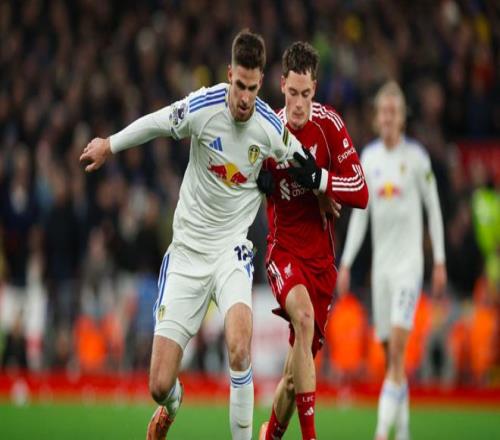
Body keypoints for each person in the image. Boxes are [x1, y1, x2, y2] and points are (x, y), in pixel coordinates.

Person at [79, 30, 328, 440]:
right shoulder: (203, 107)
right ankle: (173, 404)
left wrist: (324, 192)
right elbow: (158, 123)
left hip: (232, 251)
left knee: (240, 347)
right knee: (158, 384)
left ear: (260, 83)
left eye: (252, 89)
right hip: (188, 253)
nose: (244, 98)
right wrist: (110, 144)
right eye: (239, 86)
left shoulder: (269, 126)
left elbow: (303, 163)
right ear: (229, 75)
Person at [257, 42, 369, 440]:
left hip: (321, 263)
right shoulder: (266, 128)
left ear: (314, 89)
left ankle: (270, 435)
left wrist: (321, 180)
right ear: (281, 85)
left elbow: (360, 190)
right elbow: (237, 175)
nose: (299, 103)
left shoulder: (329, 125)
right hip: (283, 251)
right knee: (303, 319)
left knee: (293, 377)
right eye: (293, 93)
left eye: (306, 94)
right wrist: (256, 184)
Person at [337, 81, 447, 440]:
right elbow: (360, 215)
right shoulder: (368, 159)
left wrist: (440, 260)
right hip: (381, 271)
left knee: (398, 349)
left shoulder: (416, 158)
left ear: (402, 118)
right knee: (391, 359)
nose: (387, 117)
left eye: (393, 111)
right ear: (376, 117)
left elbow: (433, 209)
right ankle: (404, 430)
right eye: (382, 111)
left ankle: (382, 431)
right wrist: (346, 263)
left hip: (408, 268)